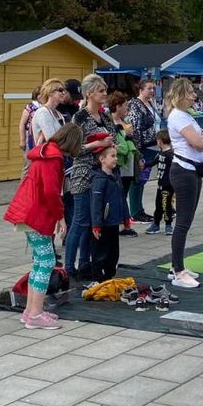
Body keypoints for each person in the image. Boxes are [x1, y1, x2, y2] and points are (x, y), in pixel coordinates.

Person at [5, 123, 82, 330]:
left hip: (27, 212)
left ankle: (30, 310)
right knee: (47, 262)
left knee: (40, 261)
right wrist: (61, 217)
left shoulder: (44, 153)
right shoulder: (53, 159)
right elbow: (51, 192)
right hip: (35, 215)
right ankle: (35, 314)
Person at [66, 75, 116, 279]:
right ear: (89, 94)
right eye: (101, 91)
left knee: (93, 221)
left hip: (101, 174)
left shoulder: (104, 117)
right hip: (83, 173)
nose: (105, 94)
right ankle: (69, 266)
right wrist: (97, 145)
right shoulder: (79, 117)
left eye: (105, 90)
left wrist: (112, 147)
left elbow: (114, 137)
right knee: (80, 222)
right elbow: (73, 148)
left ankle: (85, 263)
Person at [166, 78, 203, 290]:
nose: (194, 96)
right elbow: (198, 142)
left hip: (192, 170)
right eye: (190, 93)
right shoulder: (177, 116)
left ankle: (178, 265)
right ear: (181, 95)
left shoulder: (186, 116)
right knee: (182, 222)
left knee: (187, 220)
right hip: (184, 171)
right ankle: (177, 270)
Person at [90, 139, 131, 281]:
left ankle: (109, 275)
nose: (116, 159)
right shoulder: (98, 180)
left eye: (116, 156)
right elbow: (96, 204)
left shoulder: (116, 177)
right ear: (102, 159)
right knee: (101, 252)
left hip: (114, 222)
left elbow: (122, 199)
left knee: (114, 252)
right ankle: (98, 277)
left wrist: (126, 218)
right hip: (103, 224)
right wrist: (96, 224)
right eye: (112, 156)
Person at [126, 79, 160, 223]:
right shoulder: (135, 105)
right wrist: (137, 151)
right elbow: (135, 128)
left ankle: (140, 209)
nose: (152, 91)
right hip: (143, 147)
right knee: (137, 179)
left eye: (153, 89)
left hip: (153, 145)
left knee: (143, 179)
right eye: (149, 89)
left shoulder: (151, 103)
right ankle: (135, 211)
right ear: (140, 89)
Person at [107, 92, 139, 236]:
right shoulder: (110, 121)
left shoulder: (123, 121)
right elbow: (116, 144)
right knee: (119, 194)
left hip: (128, 163)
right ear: (117, 106)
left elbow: (130, 141)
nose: (127, 108)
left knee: (123, 193)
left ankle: (123, 223)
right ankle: (120, 224)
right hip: (118, 163)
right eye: (125, 105)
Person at [145, 130, 175, 235]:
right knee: (158, 205)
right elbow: (154, 162)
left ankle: (168, 225)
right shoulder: (161, 153)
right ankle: (156, 224)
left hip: (168, 185)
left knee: (166, 205)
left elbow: (174, 170)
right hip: (161, 184)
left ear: (160, 141)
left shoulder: (170, 155)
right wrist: (143, 165)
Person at [29, 79, 67, 148]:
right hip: (48, 156)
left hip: (59, 155)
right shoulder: (43, 112)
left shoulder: (58, 113)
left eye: (64, 90)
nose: (64, 93)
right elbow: (51, 139)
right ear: (50, 93)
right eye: (60, 90)